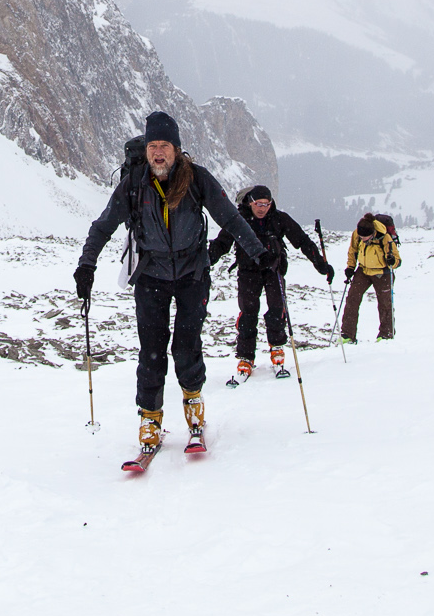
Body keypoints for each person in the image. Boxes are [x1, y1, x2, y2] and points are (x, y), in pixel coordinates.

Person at [75, 110, 273, 460]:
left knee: (185, 345)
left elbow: (229, 216)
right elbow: (103, 224)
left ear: (177, 148)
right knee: (151, 352)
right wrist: (86, 264)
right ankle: (150, 420)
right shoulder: (135, 181)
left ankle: (193, 403)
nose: (158, 152)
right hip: (151, 275)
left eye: (164, 145)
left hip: (192, 274)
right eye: (153, 145)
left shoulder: (196, 178)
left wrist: (260, 254)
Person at [207, 185, 335, 384]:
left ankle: (277, 348)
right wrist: (205, 261)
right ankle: (246, 357)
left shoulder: (279, 218)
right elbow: (221, 243)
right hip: (248, 271)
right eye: (258, 204)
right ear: (250, 202)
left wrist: (321, 264)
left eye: (266, 204)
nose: (262, 208)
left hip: (273, 269)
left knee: (276, 308)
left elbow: (301, 240)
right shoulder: (238, 220)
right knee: (248, 312)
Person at [338, 212, 401, 341]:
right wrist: (350, 267)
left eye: (365, 237)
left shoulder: (385, 238)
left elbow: (397, 260)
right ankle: (347, 334)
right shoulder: (357, 233)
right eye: (360, 237)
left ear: (373, 233)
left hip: (382, 273)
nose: (362, 239)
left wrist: (392, 262)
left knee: (385, 304)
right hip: (363, 270)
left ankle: (386, 335)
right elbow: (353, 250)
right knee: (352, 299)